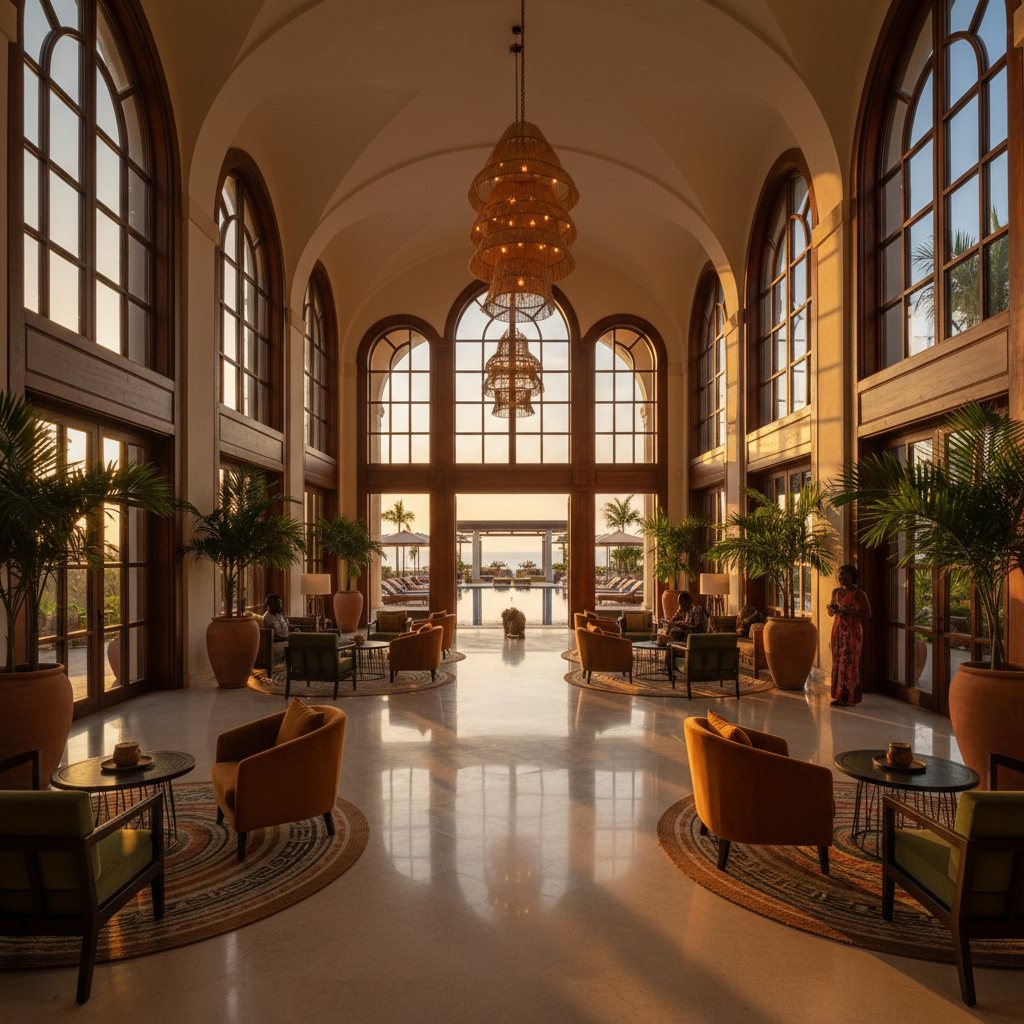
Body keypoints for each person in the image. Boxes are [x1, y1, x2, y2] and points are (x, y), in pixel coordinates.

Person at [827, 564, 871, 707]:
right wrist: (832, 609)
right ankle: (839, 695)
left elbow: (867, 614)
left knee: (849, 663)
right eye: (840, 575)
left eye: (845, 575)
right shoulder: (836, 592)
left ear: (852, 577)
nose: (841, 578)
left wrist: (848, 612)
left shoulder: (859, 594)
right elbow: (832, 612)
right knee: (838, 662)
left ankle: (850, 697)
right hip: (838, 630)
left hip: (853, 631)